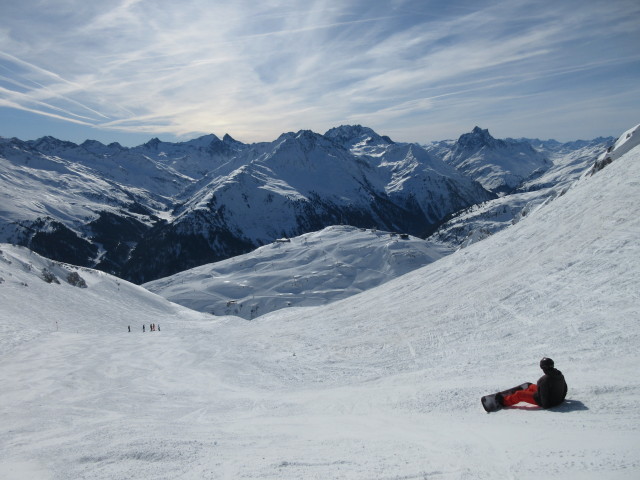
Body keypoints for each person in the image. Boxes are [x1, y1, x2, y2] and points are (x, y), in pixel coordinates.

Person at [498, 357, 567, 409]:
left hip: (547, 401)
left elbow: (544, 397)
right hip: (557, 399)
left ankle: (503, 401)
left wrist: (545, 405)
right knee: (531, 386)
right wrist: (561, 399)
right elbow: (565, 388)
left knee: (519, 394)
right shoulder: (559, 375)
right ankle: (527, 390)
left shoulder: (544, 380)